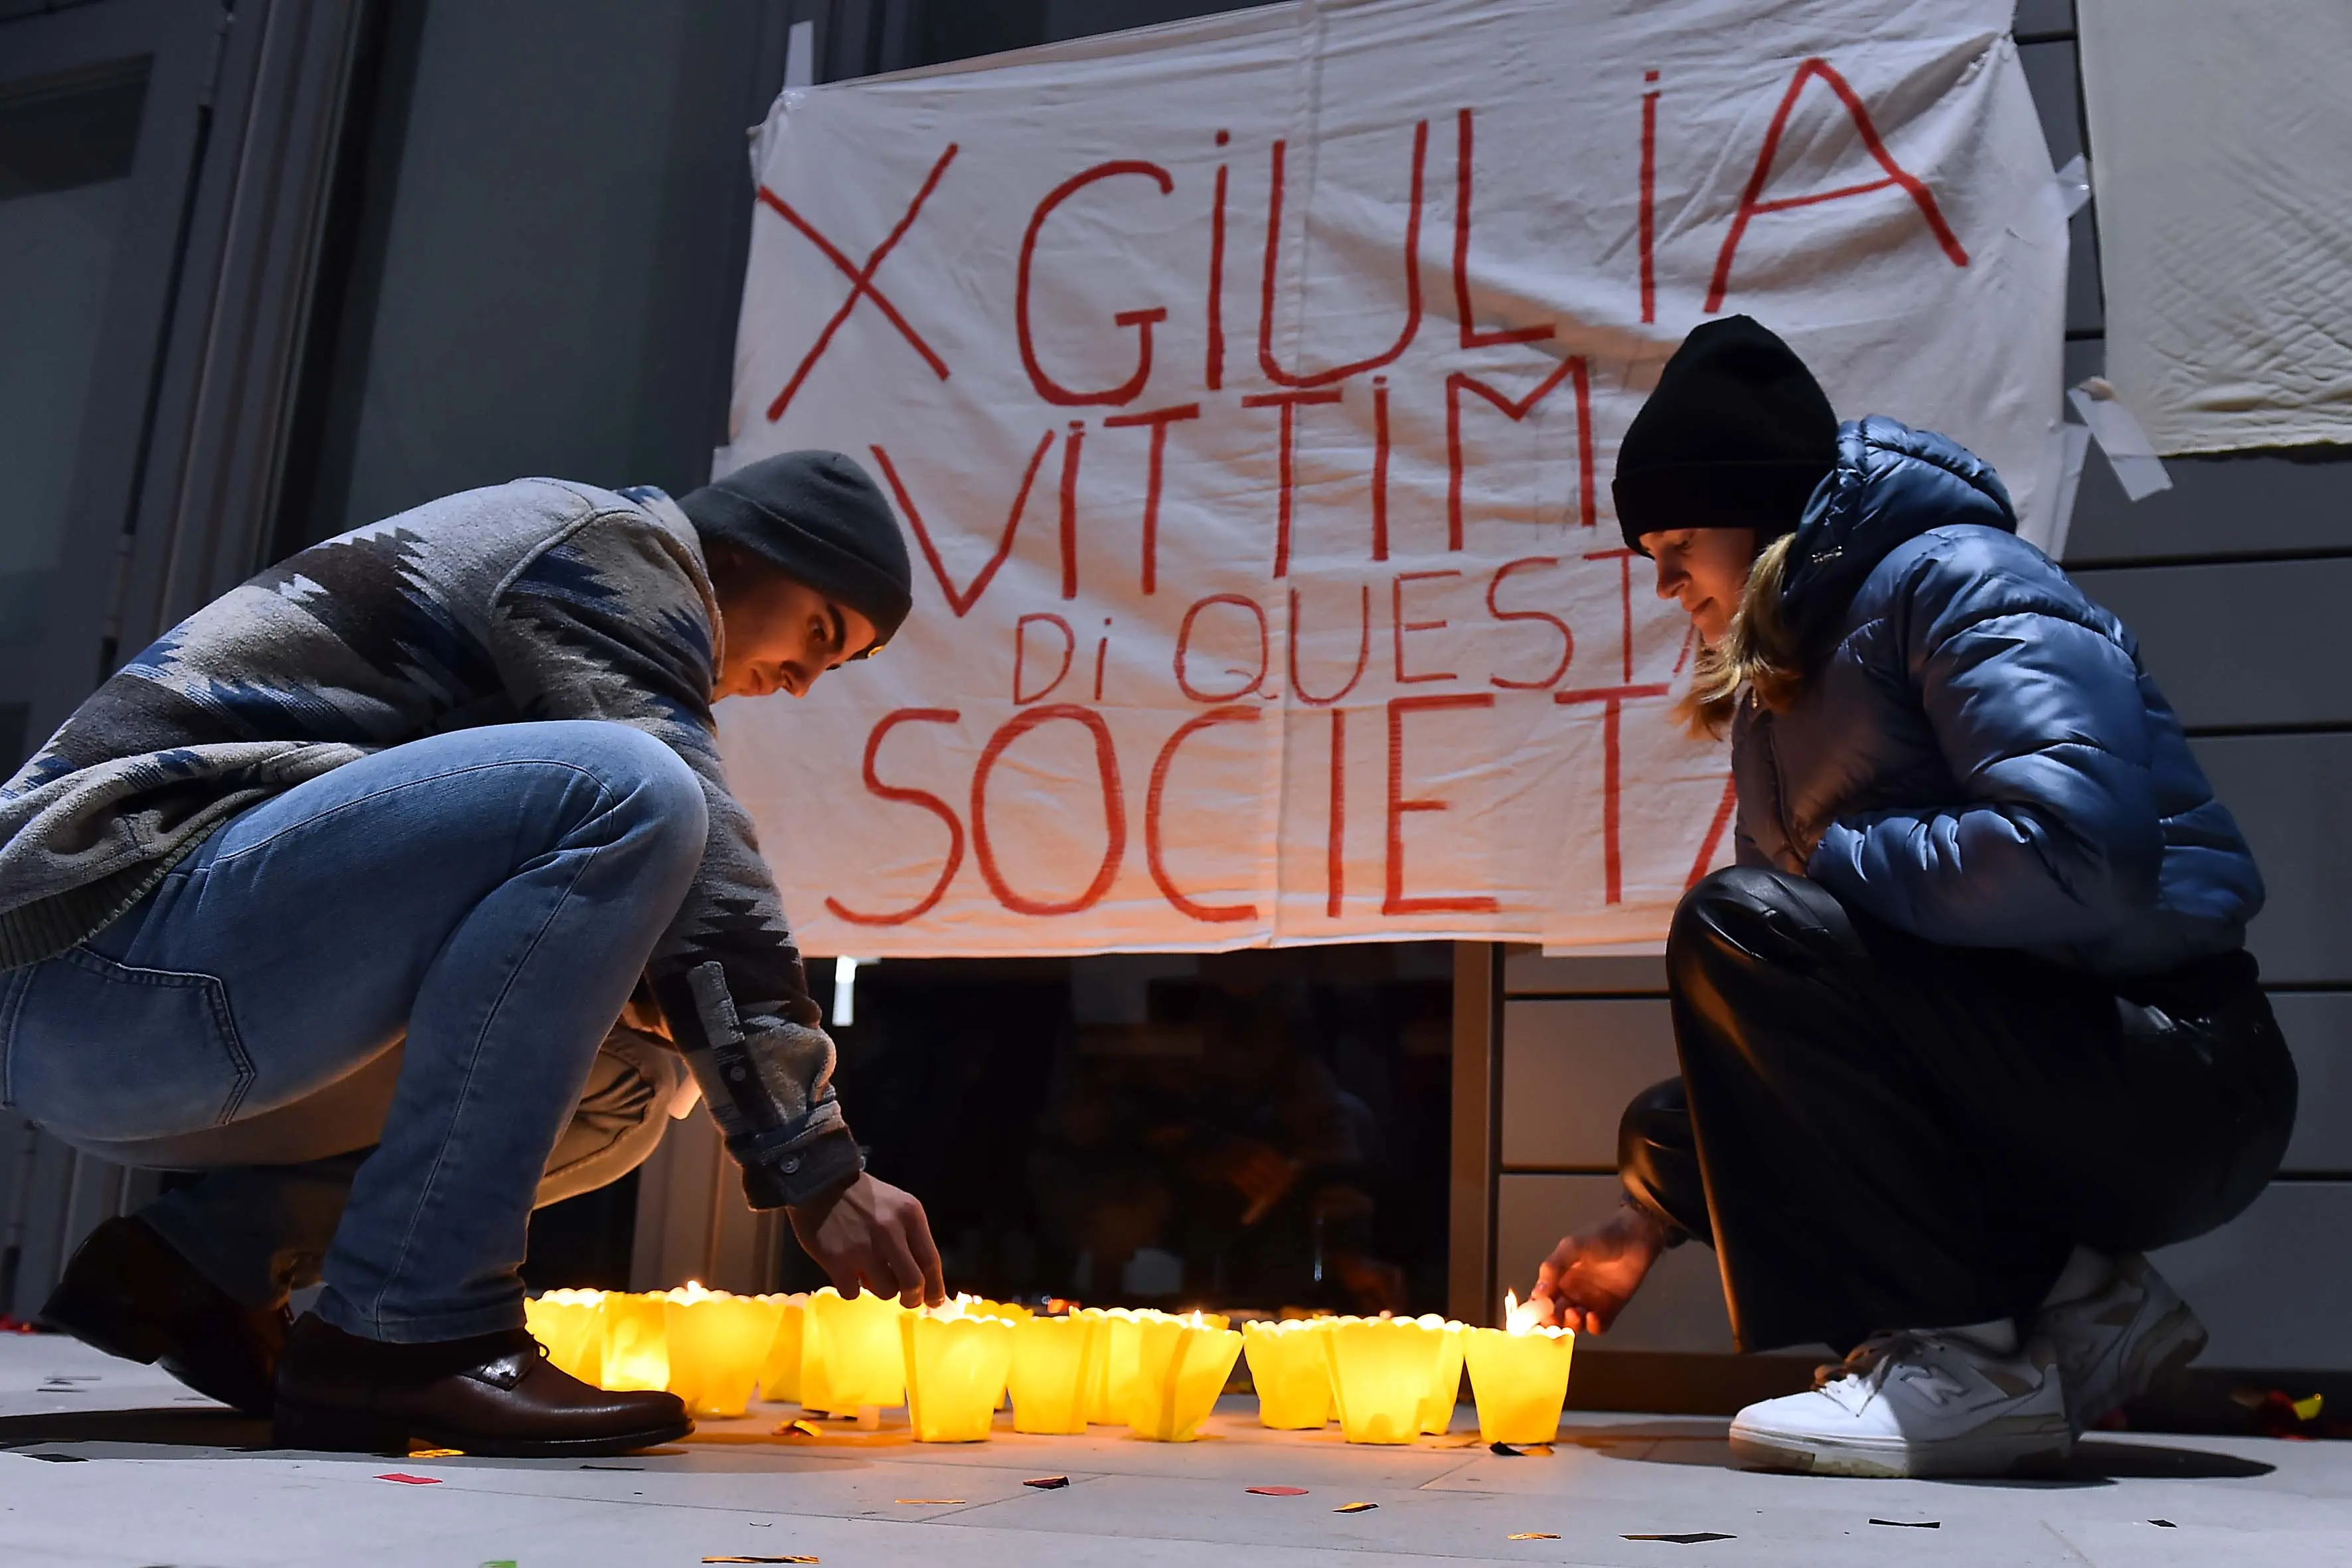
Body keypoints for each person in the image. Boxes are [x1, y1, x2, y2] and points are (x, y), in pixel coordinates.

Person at [0, 451, 947, 1456]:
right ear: (745, 556)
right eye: (817, 632)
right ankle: (418, 1331)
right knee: (638, 790)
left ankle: (203, 1266)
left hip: (172, 1012)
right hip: (98, 946)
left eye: (829, 665)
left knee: (628, 1080)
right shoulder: (609, 550)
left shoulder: (577, 632)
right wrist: (815, 1161)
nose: (802, 679)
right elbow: (704, 847)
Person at [1528, 317, 2296, 1479]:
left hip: (2176, 1068)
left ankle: (1970, 1360)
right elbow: (1823, 1016)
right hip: (2039, 1063)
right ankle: (2087, 1301)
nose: (1667, 578)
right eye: (1653, 553)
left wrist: (1833, 858)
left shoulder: (1960, 578)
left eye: (1682, 540)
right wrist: (1645, 1222)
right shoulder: (1782, 693)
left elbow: (2079, 850)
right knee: (1671, 1128)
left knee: (1739, 922)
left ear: (1766, 515)